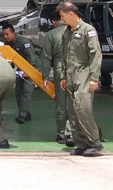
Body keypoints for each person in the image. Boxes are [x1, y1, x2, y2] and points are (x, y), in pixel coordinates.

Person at [58, 1, 103, 157]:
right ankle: (81, 144)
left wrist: (94, 78)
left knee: (83, 110)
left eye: (63, 16)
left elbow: (96, 55)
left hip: (84, 74)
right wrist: (63, 76)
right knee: (72, 112)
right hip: (70, 76)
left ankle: (95, 143)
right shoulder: (66, 32)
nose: (61, 19)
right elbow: (64, 56)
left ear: (71, 14)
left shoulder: (88, 30)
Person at [40, 11, 74, 146]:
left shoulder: (51, 35)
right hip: (75, 70)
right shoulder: (74, 31)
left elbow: (46, 57)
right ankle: (72, 132)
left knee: (61, 104)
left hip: (60, 71)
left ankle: (61, 134)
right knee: (74, 102)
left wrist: (45, 76)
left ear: (53, 22)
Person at [1, 23, 37, 123]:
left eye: (7, 34)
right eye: (3, 34)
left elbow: (32, 58)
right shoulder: (7, 44)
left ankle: (22, 115)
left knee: (26, 91)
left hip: (31, 68)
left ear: (13, 33)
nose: (5, 36)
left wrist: (28, 71)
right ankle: (26, 113)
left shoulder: (24, 42)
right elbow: (10, 59)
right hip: (21, 69)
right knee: (18, 92)